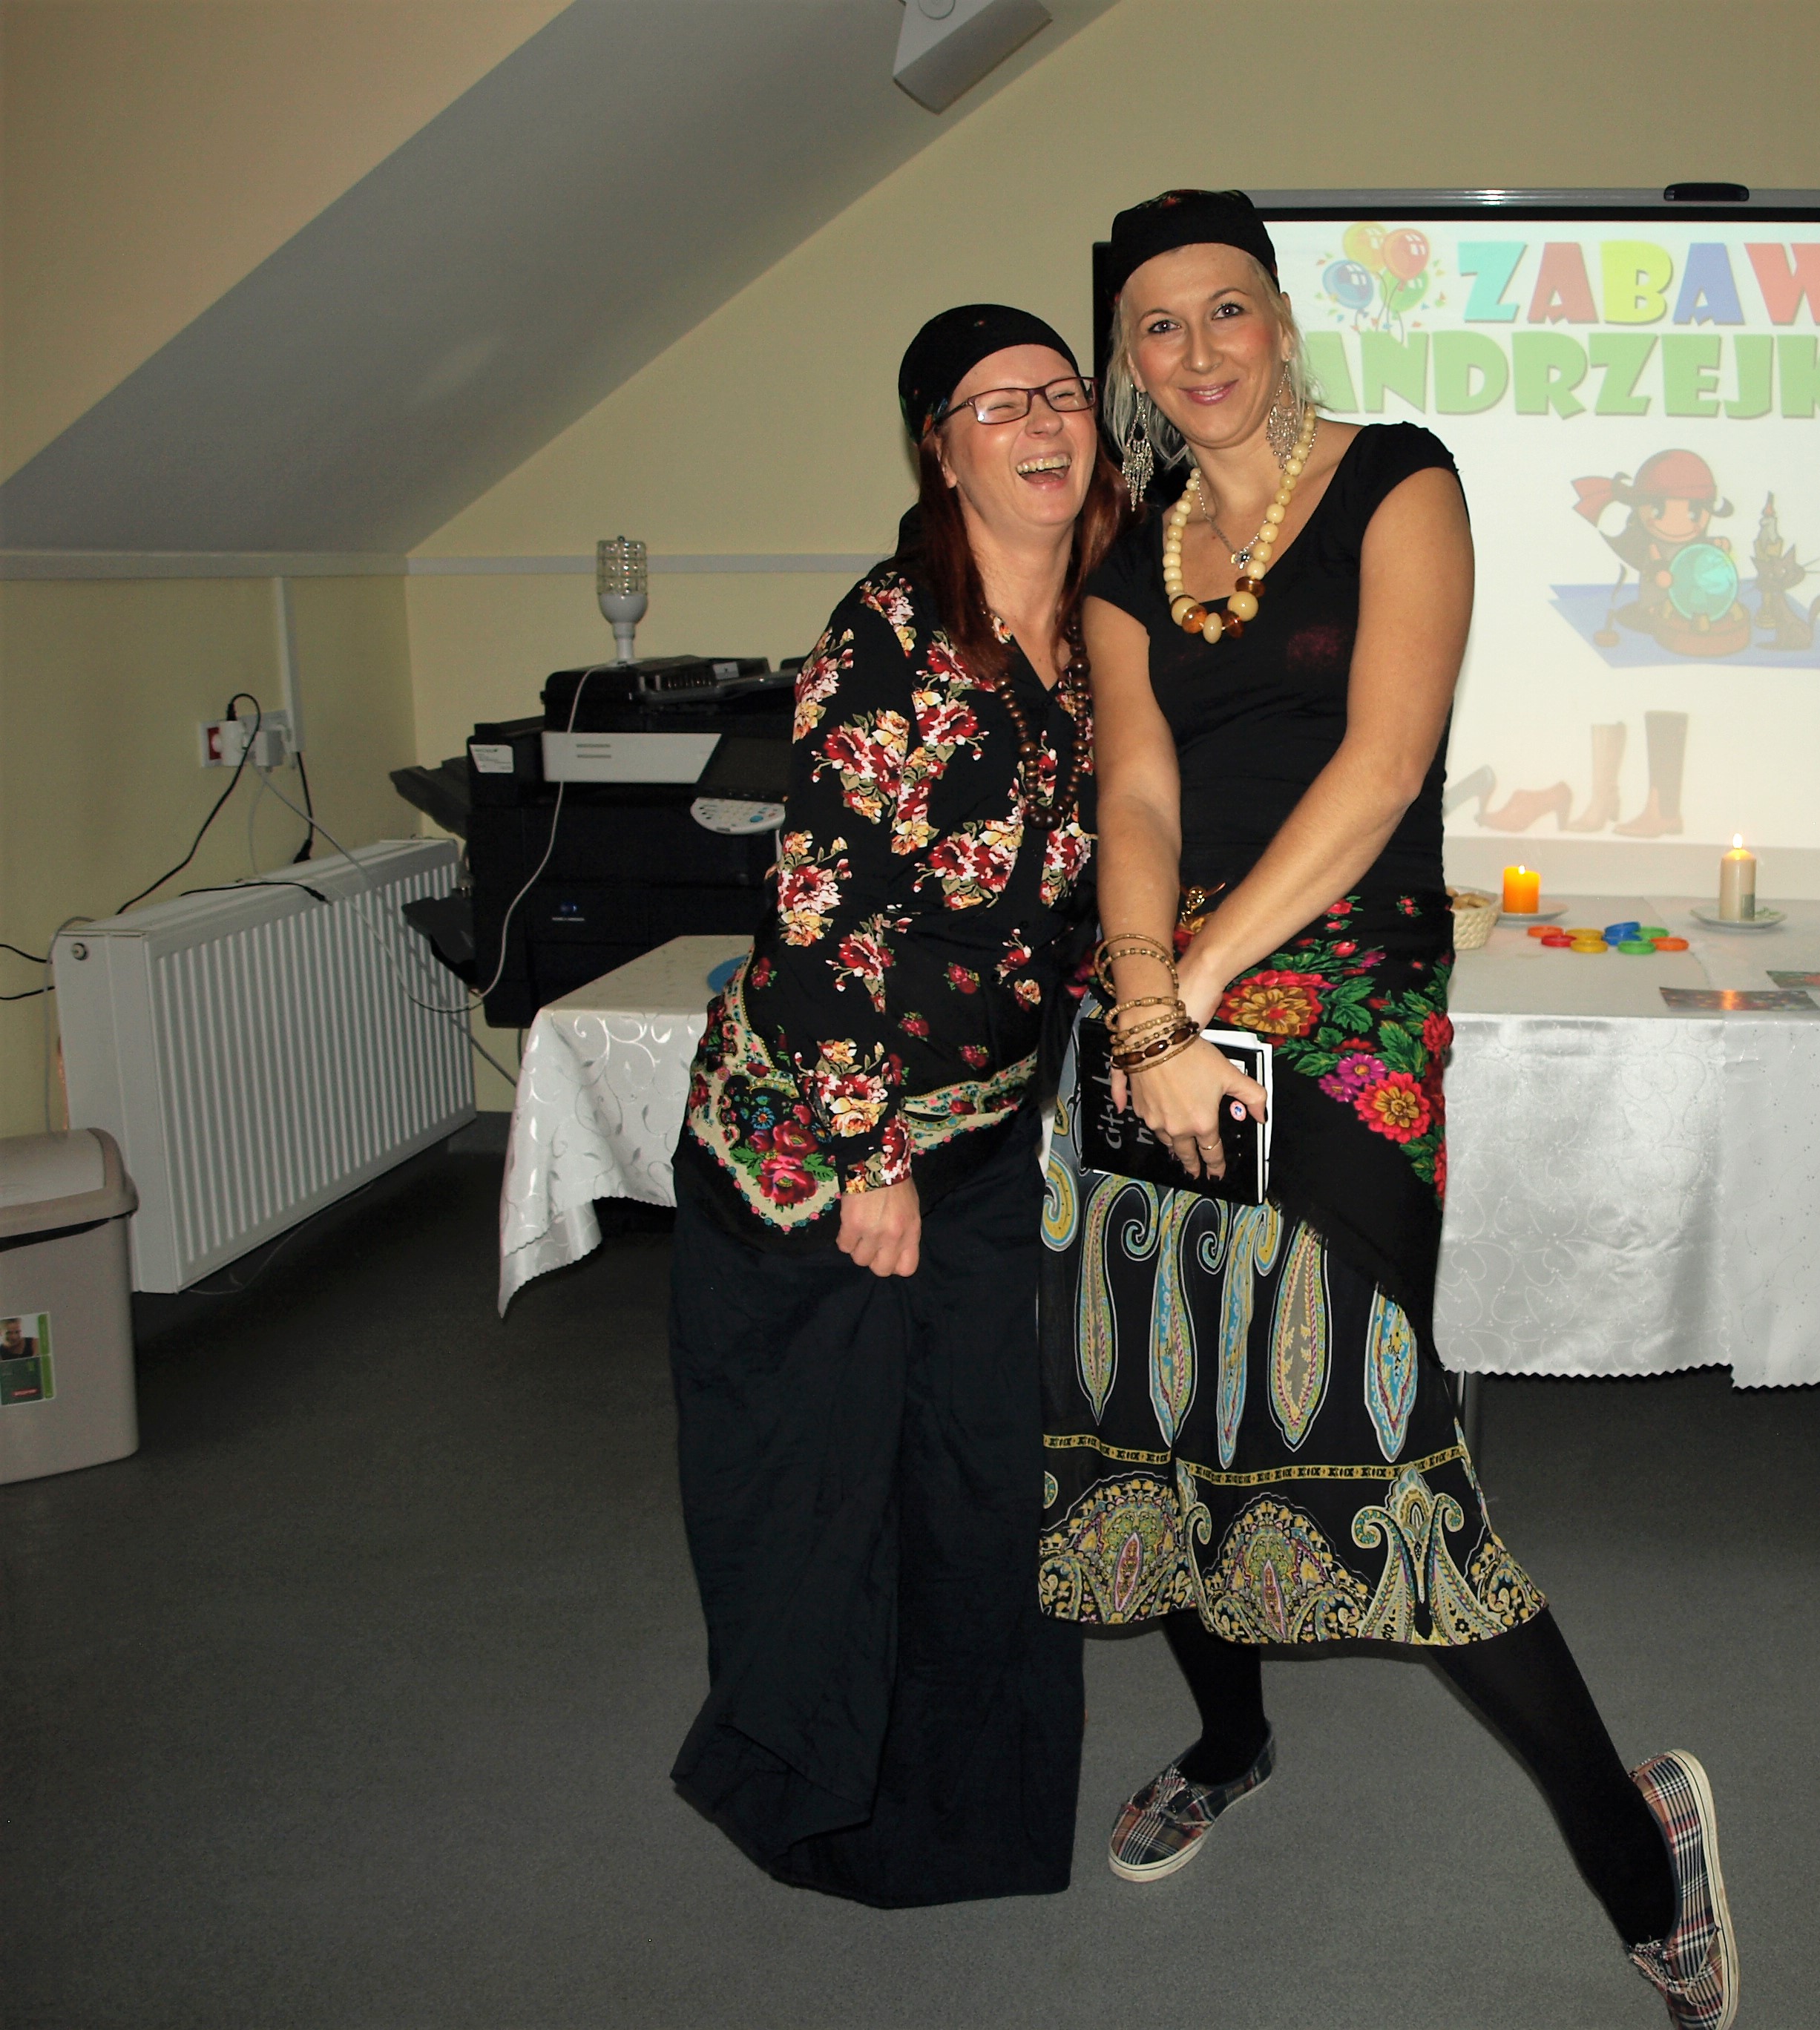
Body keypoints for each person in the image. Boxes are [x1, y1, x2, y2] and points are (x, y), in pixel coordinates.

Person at [1038, 191, 1738, 2029]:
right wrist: (1143, 1002)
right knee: (1161, 1398)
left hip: (1340, 992)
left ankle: (1640, 1849)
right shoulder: (1125, 564)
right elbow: (1136, 798)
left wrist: (1183, 992)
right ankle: (1231, 1739)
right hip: (1161, 996)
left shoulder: (1397, 480)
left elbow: (1381, 766)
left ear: (1282, 321)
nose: (1197, 350)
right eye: (1158, 324)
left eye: (1227, 309)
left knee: (1369, 1434)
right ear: (1128, 358)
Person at [667, 303, 1117, 1908]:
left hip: (984, 1135)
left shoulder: (1104, 628)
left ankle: (967, 1816)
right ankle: (815, 1803)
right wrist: (870, 1159)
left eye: (1060, 391)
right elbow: (818, 916)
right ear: (942, 449)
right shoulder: (892, 632)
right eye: (998, 405)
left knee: (982, 1476)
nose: (1042, 423)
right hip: (820, 1150)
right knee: (828, 1492)